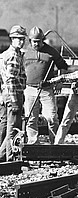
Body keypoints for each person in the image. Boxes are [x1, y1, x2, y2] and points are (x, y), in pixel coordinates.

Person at [24, 26, 68, 144]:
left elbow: (63, 66)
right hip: (29, 89)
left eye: (39, 41)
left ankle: (55, 143)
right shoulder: (24, 52)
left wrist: (59, 82)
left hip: (46, 89)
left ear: (42, 40)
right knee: (30, 118)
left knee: (52, 118)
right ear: (30, 41)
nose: (36, 44)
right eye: (34, 42)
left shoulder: (51, 52)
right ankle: (33, 142)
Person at [0, 25, 27, 161]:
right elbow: (11, 79)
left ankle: (3, 155)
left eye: (22, 39)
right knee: (13, 128)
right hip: (13, 94)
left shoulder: (5, 54)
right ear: (12, 39)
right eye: (18, 39)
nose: (21, 42)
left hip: (6, 94)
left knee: (5, 126)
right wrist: (14, 100)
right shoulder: (13, 56)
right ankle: (8, 158)